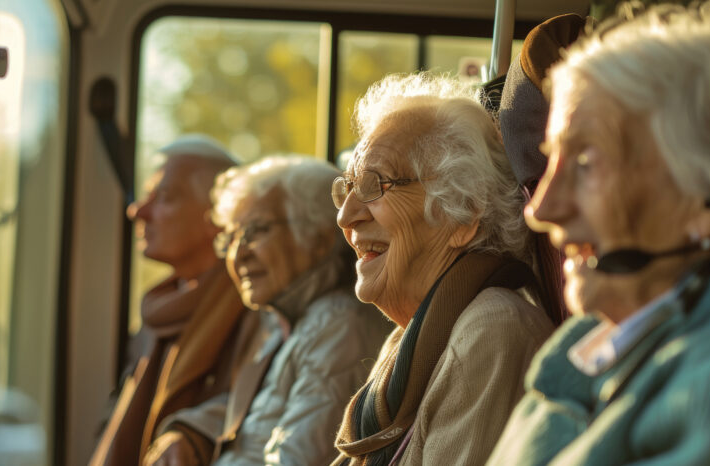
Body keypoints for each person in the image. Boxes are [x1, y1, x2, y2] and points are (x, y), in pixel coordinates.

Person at [488, 2, 710, 464]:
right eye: (551, 157)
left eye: (586, 162)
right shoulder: (586, 342)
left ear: (704, 199)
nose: (541, 209)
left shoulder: (709, 391)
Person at [332, 73, 556, 466]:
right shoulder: (412, 337)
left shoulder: (492, 330)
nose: (345, 215)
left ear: (465, 210)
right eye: (347, 186)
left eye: (375, 184)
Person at [146, 155, 391, 466]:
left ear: (317, 238)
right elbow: (255, 410)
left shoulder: (337, 323)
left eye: (255, 231)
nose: (239, 255)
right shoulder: (284, 319)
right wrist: (194, 431)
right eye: (231, 238)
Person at [90, 135, 246, 466]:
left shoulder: (251, 315)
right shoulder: (157, 316)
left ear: (217, 217)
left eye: (164, 197)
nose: (137, 211)